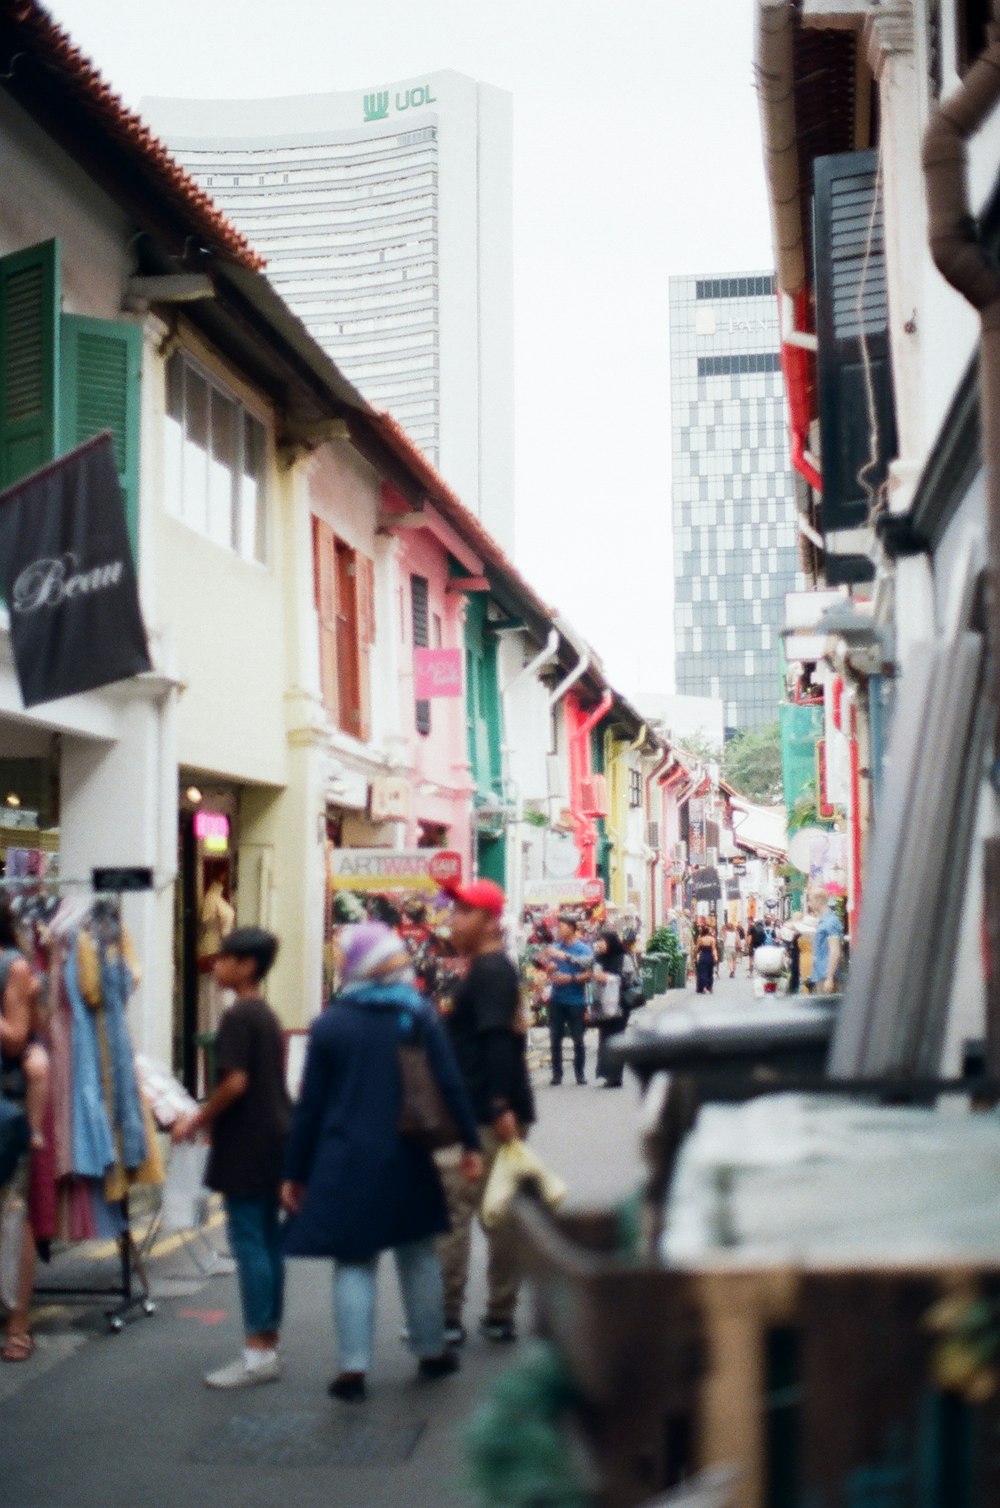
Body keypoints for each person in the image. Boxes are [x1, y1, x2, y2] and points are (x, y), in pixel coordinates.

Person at [281, 922, 481, 1401]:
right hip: (408, 1154)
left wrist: (294, 1171)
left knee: (354, 1261)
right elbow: (450, 1083)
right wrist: (470, 1143)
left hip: (344, 1158)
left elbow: (310, 1105)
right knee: (417, 1256)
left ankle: (352, 1371)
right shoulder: (416, 1016)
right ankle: (431, 1351)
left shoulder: (330, 1024)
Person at [173, 926, 291, 1390]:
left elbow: (235, 1082)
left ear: (246, 966)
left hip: (248, 1143)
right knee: (266, 1241)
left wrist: (197, 1119)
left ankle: (258, 1353)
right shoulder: (264, 1013)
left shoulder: (238, 1016)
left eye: (224, 958)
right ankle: (267, 1341)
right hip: (274, 1137)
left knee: (250, 1243)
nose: (215, 964)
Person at [439, 879, 536, 1344]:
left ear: (488, 920)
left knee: (462, 1215)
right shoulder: (489, 969)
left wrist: (499, 1105)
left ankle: (452, 1316)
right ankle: (493, 1312)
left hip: (485, 1111)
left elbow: (498, 1040)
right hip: (486, 1107)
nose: (451, 920)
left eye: (461, 911)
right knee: (493, 1215)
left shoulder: (491, 971)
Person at [0, 899, 48, 1363]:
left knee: (13, 1214)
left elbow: (17, 1037)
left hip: (6, 1106)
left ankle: (18, 1319)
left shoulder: (12, 966)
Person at [545, 915, 593, 1086]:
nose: (559, 929)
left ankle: (579, 1073)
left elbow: (589, 975)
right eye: (559, 926)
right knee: (554, 1038)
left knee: (578, 1039)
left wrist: (570, 978)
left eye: (563, 926)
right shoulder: (554, 948)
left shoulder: (583, 950)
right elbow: (547, 972)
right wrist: (549, 971)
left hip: (576, 1000)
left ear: (572, 928)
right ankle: (556, 1073)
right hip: (556, 999)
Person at [593, 929, 627, 1088]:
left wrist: (609, 978)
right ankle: (607, 1074)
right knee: (604, 1038)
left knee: (617, 1038)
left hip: (620, 1005)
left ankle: (616, 1076)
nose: (600, 944)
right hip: (603, 1006)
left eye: (603, 941)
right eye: (599, 940)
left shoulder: (623, 958)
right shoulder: (599, 959)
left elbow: (630, 978)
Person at [808, 891, 844, 995]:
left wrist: (829, 978)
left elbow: (834, 950)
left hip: (825, 975)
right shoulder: (824, 921)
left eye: (810, 901)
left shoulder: (830, 922)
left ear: (818, 900)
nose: (809, 904)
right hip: (820, 973)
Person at [694, 923, 717, 995]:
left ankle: (703, 987)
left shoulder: (701, 939)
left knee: (702, 972)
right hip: (710, 956)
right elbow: (714, 949)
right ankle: (709, 987)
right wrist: (715, 957)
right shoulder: (712, 939)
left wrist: (694, 956)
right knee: (710, 972)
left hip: (703, 956)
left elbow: (697, 949)